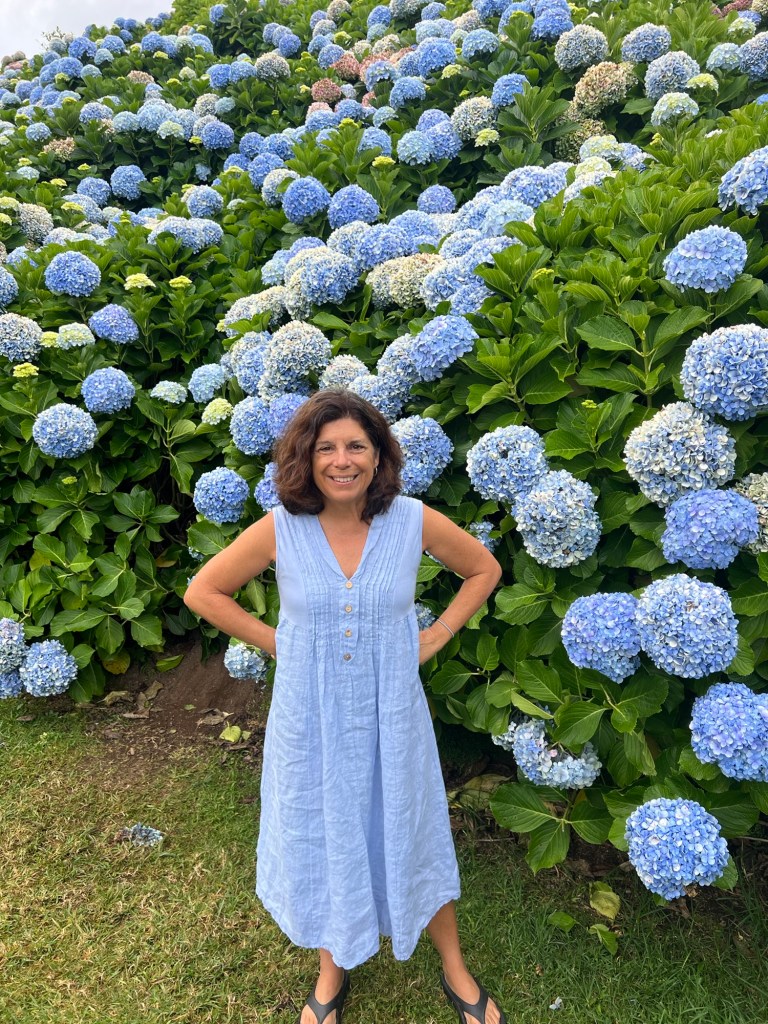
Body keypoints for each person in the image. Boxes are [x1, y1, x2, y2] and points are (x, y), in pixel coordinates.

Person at [184, 390, 505, 1024]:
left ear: (378, 455)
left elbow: (483, 570)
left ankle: (454, 967)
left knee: (410, 828)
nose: (341, 460)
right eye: (325, 447)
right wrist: (281, 643)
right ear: (306, 458)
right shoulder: (281, 527)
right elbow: (205, 591)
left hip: (393, 715)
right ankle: (332, 970)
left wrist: (436, 636)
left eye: (356, 445)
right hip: (311, 717)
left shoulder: (411, 520)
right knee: (327, 830)